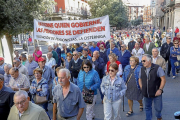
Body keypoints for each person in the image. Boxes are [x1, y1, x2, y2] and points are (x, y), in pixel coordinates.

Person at [139, 54, 166, 120]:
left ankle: (159, 116)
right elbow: (139, 79)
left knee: (158, 109)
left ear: (149, 61)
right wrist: (142, 87)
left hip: (156, 93)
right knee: (147, 108)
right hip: (146, 93)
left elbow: (163, 79)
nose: (142, 62)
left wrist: (160, 89)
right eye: (142, 61)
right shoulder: (142, 69)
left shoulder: (157, 68)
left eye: (144, 61)